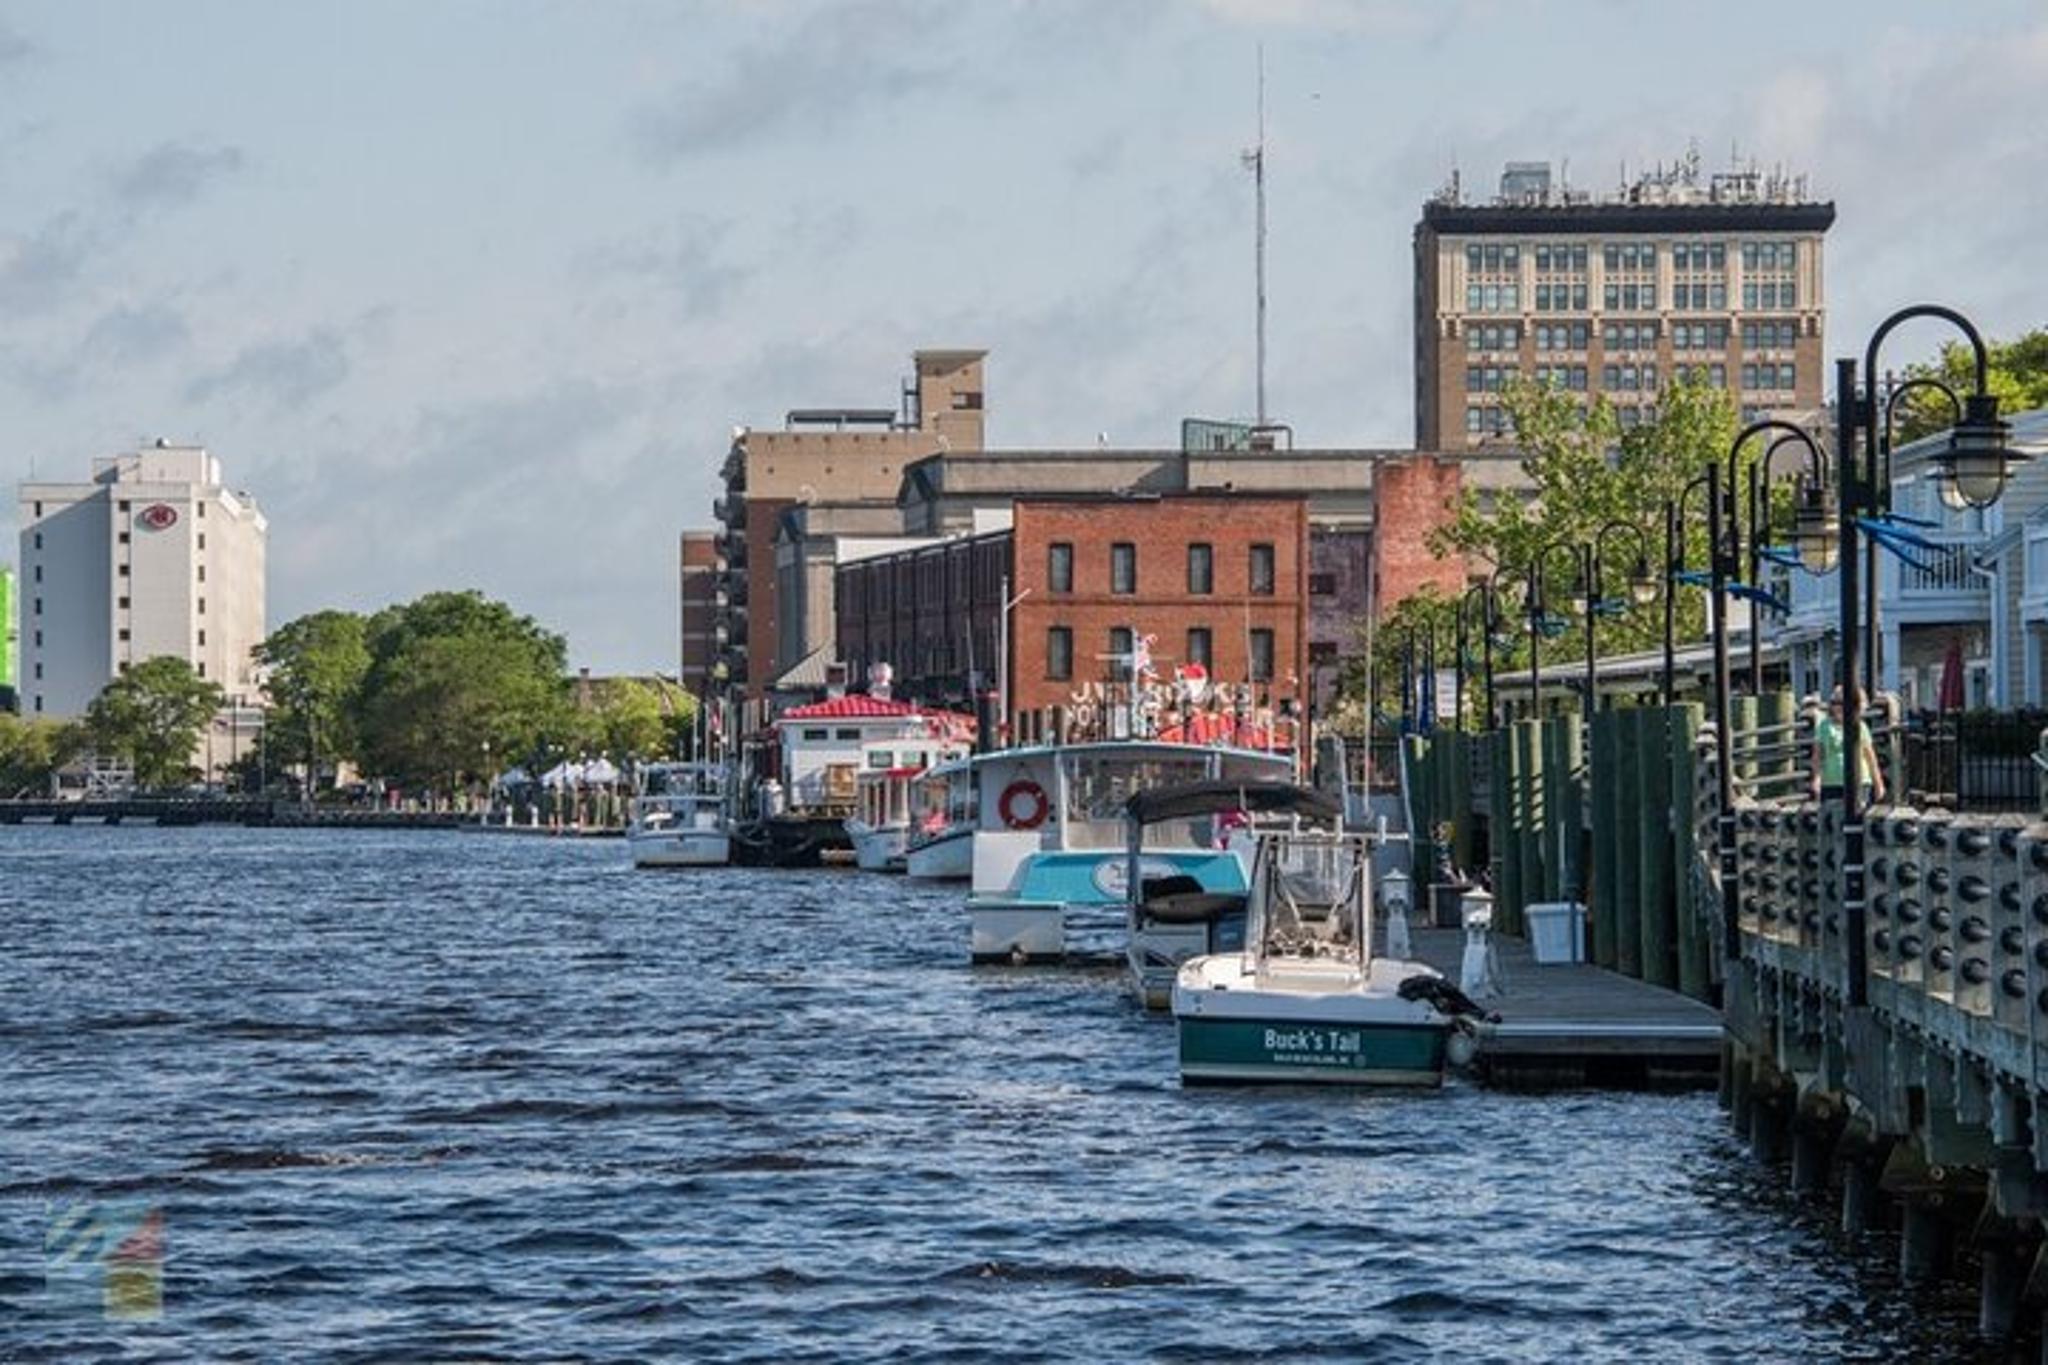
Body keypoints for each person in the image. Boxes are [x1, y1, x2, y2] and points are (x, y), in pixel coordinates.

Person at [1810, 685, 1886, 805]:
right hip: (1831, 781)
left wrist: (1879, 785)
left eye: (1842, 703)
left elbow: (1870, 758)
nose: (1838, 707)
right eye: (1835, 703)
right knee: (1833, 816)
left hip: (1860, 781)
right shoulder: (1824, 726)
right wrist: (1816, 779)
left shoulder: (1861, 726)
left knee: (1858, 817)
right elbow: (1817, 756)